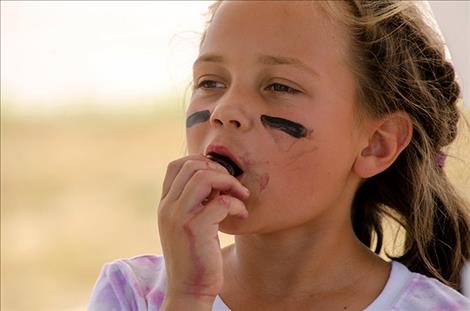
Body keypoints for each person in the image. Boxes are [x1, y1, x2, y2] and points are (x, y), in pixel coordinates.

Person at [88, 1, 470, 310]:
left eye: (279, 86)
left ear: (377, 144)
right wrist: (187, 297)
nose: (224, 110)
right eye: (211, 82)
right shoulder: (133, 295)